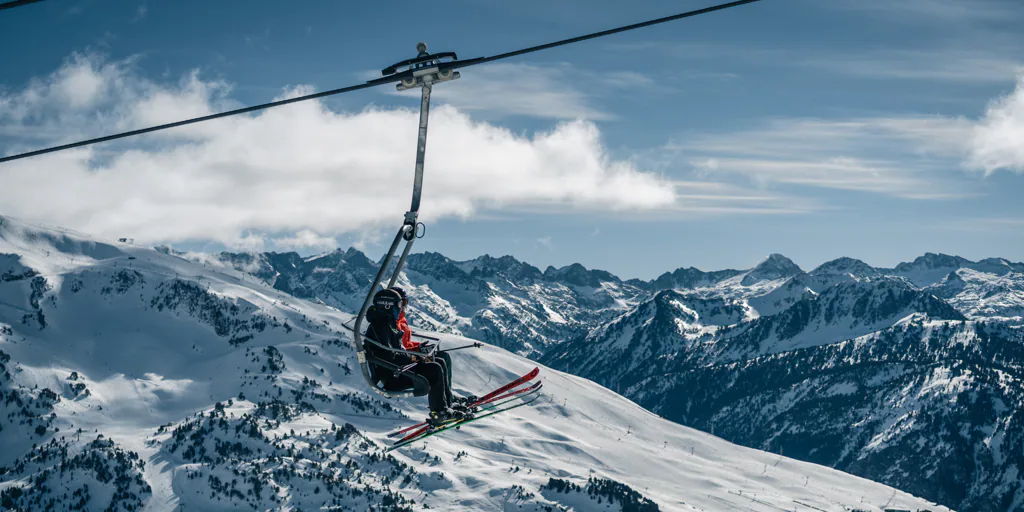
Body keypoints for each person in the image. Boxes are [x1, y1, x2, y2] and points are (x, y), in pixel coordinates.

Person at [363, 287, 465, 425]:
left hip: (397, 370)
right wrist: (415, 358)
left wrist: (416, 355)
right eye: (399, 305)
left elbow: (397, 350)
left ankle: (446, 405)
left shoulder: (387, 323)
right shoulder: (381, 325)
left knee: (440, 361)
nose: (401, 309)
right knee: (434, 368)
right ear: (387, 305)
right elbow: (390, 354)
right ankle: (439, 413)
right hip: (393, 376)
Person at [391, 286, 475, 405]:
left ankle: (447, 396)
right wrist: (418, 350)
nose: (404, 307)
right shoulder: (393, 323)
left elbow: (406, 343)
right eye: (402, 303)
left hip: (412, 354)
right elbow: (399, 348)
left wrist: (420, 346)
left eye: (406, 302)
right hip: (408, 360)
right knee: (438, 363)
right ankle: (444, 403)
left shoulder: (402, 319)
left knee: (444, 357)